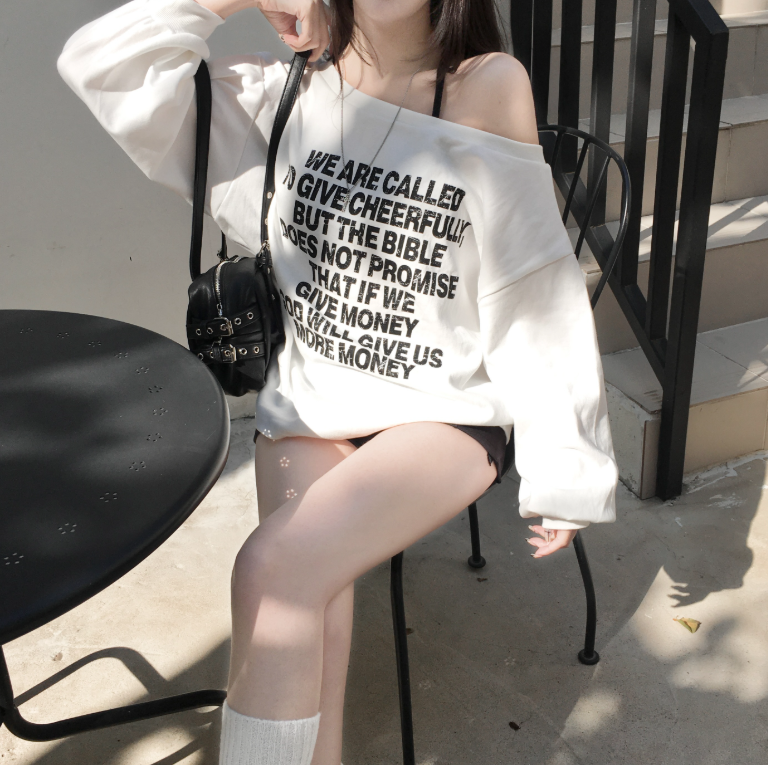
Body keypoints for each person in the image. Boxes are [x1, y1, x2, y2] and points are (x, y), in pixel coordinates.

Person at [58, 0, 618, 762]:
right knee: (301, 615)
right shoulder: (293, 89)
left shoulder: (485, 86)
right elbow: (102, 63)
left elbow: (534, 283)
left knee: (272, 571)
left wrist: (566, 463)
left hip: (442, 410)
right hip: (313, 396)